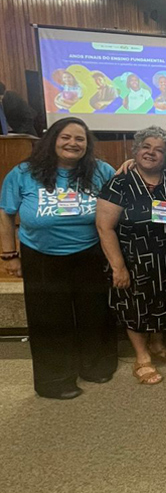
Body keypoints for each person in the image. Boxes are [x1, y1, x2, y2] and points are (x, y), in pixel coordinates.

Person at [0, 117, 117, 399]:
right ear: (52, 139)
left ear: (87, 146)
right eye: (66, 137)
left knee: (95, 313)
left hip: (90, 251)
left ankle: (95, 366)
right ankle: (55, 379)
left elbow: (118, 203)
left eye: (80, 139)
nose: (72, 143)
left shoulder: (102, 171)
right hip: (40, 254)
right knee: (49, 319)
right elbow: (6, 213)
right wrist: (8, 255)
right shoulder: (23, 172)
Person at [97, 126, 166, 385]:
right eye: (146, 147)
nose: (151, 153)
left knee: (163, 302)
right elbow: (105, 227)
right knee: (133, 305)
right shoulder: (120, 181)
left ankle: (157, 345)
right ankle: (142, 356)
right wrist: (118, 267)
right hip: (133, 259)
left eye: (159, 150)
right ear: (135, 150)